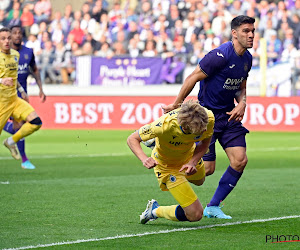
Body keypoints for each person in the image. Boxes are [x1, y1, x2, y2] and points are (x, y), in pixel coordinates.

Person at [162, 15, 255, 219]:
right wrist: (176, 104)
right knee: (208, 170)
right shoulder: (219, 55)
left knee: (240, 161)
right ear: (234, 33)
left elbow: (241, 87)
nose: (251, 35)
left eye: (252, 31)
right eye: (246, 31)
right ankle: (171, 161)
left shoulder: (247, 58)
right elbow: (193, 77)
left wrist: (242, 102)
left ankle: (213, 206)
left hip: (229, 116)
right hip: (207, 117)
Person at [127, 100, 214, 224]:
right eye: (200, 131)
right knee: (195, 215)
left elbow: (205, 143)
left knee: (200, 181)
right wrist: (144, 159)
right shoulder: (164, 125)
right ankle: (155, 211)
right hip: (167, 166)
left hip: (188, 157)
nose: (205, 130)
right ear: (184, 127)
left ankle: (156, 143)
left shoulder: (207, 118)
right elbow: (132, 139)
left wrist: (192, 162)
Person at [3, 25, 46, 170]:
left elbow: (29, 71)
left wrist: (23, 90)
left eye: (10, 37)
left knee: (33, 122)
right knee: (16, 127)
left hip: (16, 99)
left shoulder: (18, 55)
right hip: (2, 102)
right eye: (4, 38)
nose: (9, 40)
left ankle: (16, 148)